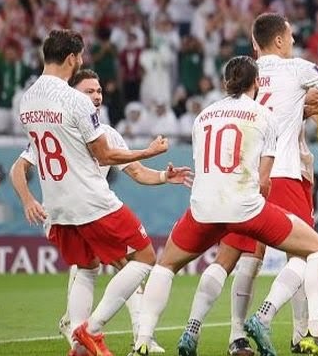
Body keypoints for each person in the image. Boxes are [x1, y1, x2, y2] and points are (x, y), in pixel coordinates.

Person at [174, 12, 318, 356]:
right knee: (309, 251)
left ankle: (220, 334)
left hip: (239, 179)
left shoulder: (245, 75)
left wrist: (304, 108)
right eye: (291, 36)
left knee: (235, 257)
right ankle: (288, 326)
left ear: (255, 44)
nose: (294, 41)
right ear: (279, 40)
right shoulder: (296, 68)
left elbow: (276, 109)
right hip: (281, 173)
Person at [131, 56, 318, 356]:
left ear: (225, 83)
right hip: (245, 207)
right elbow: (265, 180)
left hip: (203, 209)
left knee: (166, 266)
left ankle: (143, 341)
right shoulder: (263, 115)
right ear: (256, 82)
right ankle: (315, 332)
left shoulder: (202, 116)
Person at [10, 68, 192, 354]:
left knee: (88, 268)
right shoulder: (62, 121)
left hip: (64, 212)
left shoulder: (105, 132)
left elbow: (135, 172)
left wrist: (163, 177)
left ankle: (80, 341)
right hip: (90, 207)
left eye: (98, 91)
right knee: (138, 259)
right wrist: (27, 200)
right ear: (73, 94)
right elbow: (18, 168)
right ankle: (105, 332)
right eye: (88, 91)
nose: (95, 96)